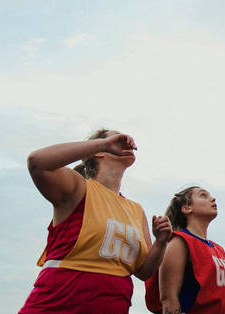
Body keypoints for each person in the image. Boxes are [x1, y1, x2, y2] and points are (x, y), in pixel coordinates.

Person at [20, 129, 172, 313]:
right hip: (59, 304)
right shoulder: (78, 187)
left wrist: (161, 242)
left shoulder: (136, 210)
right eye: (116, 138)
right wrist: (103, 144)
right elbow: (37, 162)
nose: (127, 141)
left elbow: (143, 271)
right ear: (98, 152)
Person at [145, 186, 225, 314]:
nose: (213, 199)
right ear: (187, 208)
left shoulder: (218, 249)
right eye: (203, 195)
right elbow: (169, 299)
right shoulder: (180, 242)